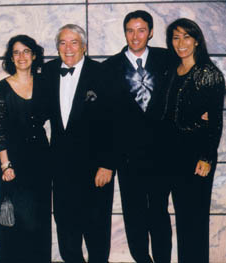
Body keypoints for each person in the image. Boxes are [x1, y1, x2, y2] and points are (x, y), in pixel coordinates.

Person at [102, 10, 172, 263]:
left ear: (150, 32)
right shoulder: (109, 67)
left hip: (161, 154)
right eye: (130, 30)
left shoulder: (168, 60)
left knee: (159, 213)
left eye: (141, 30)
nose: (135, 36)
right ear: (124, 33)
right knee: (134, 214)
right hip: (127, 157)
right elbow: (105, 119)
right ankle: (142, 259)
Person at [42, 24, 114, 263]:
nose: (68, 48)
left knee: (97, 231)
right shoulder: (49, 71)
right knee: (66, 229)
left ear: (84, 46)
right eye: (62, 43)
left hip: (96, 169)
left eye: (74, 42)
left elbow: (115, 122)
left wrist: (107, 164)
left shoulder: (102, 73)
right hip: (61, 168)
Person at [163, 18, 225, 263]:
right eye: (176, 37)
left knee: (195, 220)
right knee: (183, 217)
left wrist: (207, 157)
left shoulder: (209, 73)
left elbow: (216, 122)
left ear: (197, 39)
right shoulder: (172, 69)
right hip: (173, 155)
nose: (181, 43)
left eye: (186, 37)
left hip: (197, 156)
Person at [0, 35, 51, 263]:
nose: (21, 56)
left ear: (34, 55)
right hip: (14, 162)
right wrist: (5, 164)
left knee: (39, 218)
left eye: (26, 51)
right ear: (11, 57)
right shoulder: (2, 88)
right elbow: (0, 130)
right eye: (16, 52)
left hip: (41, 158)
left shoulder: (44, 84)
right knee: (17, 219)